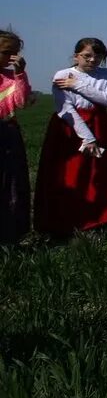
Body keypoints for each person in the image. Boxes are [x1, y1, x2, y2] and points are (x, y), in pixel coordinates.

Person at [33, 38, 107, 236]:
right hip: (68, 126)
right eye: (87, 56)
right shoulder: (62, 75)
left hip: (99, 123)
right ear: (76, 56)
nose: (92, 60)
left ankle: (99, 220)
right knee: (69, 173)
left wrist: (79, 85)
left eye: (98, 57)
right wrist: (88, 137)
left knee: (99, 174)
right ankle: (62, 223)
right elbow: (64, 106)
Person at [0, 30, 33, 245]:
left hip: (7, 135)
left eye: (15, 52)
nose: (11, 57)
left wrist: (21, 73)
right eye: (6, 52)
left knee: (10, 183)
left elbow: (21, 102)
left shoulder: (13, 77)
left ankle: (10, 235)